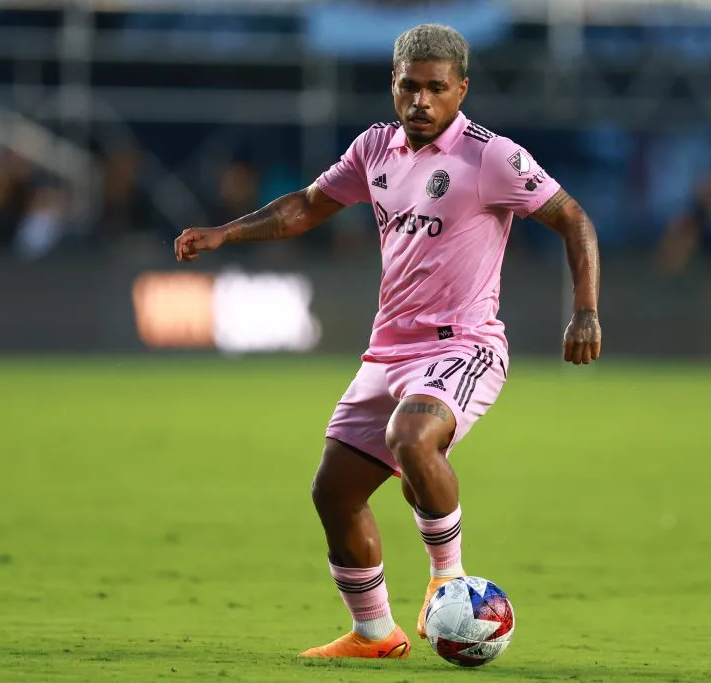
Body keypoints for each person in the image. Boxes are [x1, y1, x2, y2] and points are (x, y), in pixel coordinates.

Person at [174, 24, 602, 660]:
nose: (421, 101)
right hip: (389, 349)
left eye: (436, 88)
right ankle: (374, 633)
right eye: (410, 86)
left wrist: (586, 310)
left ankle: (448, 580)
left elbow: (572, 216)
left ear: (461, 89)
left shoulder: (491, 157)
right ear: (393, 86)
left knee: (411, 440)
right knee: (334, 492)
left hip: (464, 345)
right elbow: (308, 206)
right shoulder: (375, 148)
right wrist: (226, 235)